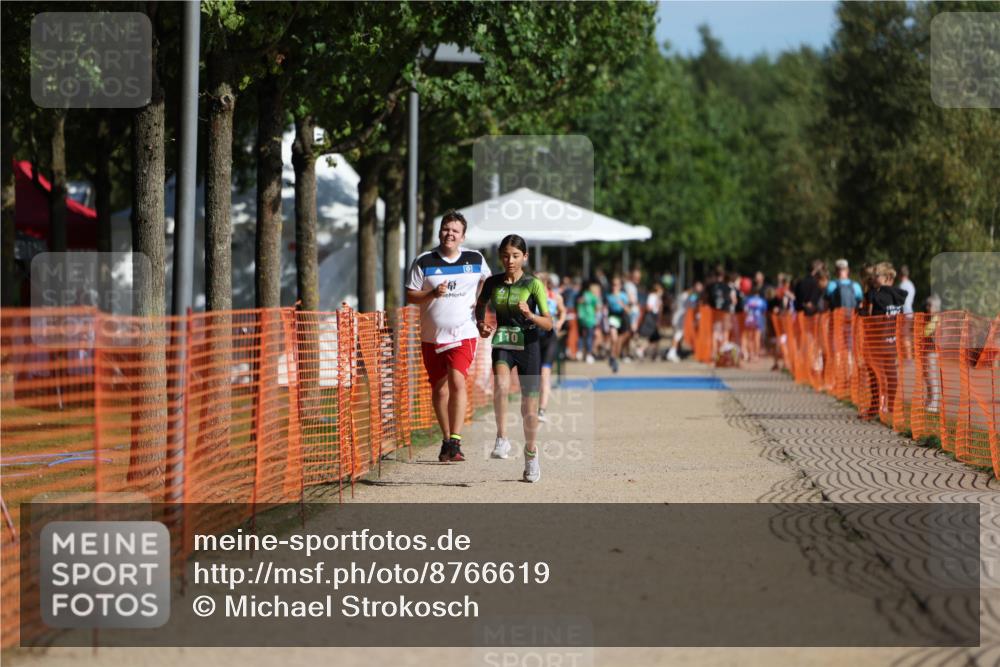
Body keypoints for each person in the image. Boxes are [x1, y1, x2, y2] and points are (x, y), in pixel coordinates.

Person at [406, 209, 490, 463]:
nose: (449, 234)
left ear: (463, 237)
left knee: (457, 381)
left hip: (463, 333)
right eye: (446, 228)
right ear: (439, 231)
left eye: (455, 231)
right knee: (439, 390)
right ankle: (445, 441)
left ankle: (456, 439)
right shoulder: (424, 261)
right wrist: (432, 295)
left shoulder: (475, 258)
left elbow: (487, 282)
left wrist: (481, 308)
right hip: (432, 336)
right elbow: (410, 294)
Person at [475, 235, 553, 483]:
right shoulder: (492, 282)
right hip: (503, 342)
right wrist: (481, 325)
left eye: (516, 256)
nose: (510, 260)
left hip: (529, 345)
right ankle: (502, 438)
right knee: (500, 385)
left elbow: (549, 324)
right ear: (500, 256)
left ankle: (531, 453)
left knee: (529, 408)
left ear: (525, 257)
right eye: (506, 255)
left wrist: (530, 314)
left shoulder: (534, 284)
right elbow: (480, 305)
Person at [538, 273, 567, 423]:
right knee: (535, 376)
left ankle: (542, 409)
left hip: (550, 338)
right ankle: (534, 406)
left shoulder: (555, 297)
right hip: (534, 339)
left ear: (545, 283)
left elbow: (563, 311)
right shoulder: (530, 297)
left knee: (545, 373)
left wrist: (560, 322)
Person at [605, 276, 630, 373]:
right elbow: (604, 308)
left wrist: (622, 305)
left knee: (619, 341)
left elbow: (628, 310)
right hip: (613, 317)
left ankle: (614, 357)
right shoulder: (608, 296)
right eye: (613, 284)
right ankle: (613, 357)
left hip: (622, 317)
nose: (614, 287)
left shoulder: (623, 296)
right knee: (614, 338)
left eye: (616, 285)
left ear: (620, 286)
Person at [576, 282, 601, 363]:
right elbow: (598, 308)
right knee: (589, 337)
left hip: (582, 319)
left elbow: (579, 301)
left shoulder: (585, 294)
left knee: (581, 336)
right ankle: (589, 355)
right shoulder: (593, 297)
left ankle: (579, 352)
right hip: (590, 319)